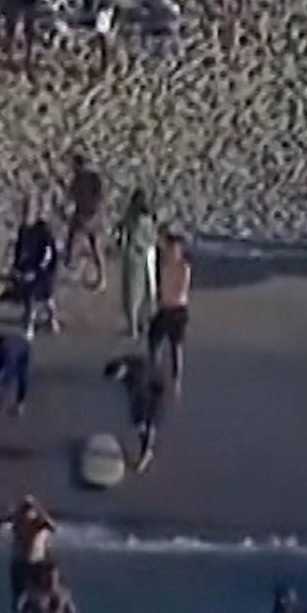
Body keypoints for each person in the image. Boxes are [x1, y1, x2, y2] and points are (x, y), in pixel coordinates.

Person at [104, 350, 166, 473]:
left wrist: (141, 419)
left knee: (148, 425)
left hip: (156, 392)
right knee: (139, 423)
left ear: (121, 371)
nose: (117, 382)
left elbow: (140, 399)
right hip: (148, 382)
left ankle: (145, 456)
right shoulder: (124, 364)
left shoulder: (138, 379)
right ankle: (146, 448)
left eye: (117, 379)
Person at [6, 201, 59, 338]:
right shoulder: (23, 230)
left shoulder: (43, 231)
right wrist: (15, 267)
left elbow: (48, 254)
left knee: (47, 297)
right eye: (24, 212)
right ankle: (30, 324)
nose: (26, 216)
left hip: (44, 269)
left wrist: (38, 270)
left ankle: (52, 319)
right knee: (28, 296)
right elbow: (18, 250)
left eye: (28, 212)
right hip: (27, 267)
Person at [149, 228, 192, 393]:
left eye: (173, 249)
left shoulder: (183, 267)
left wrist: (163, 299)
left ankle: (176, 380)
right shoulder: (163, 265)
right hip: (164, 309)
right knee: (154, 339)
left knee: (176, 346)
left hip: (177, 310)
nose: (170, 252)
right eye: (169, 248)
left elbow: (180, 291)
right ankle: (155, 372)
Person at [118, 188, 159, 341]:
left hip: (132, 258)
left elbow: (124, 238)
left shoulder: (129, 218)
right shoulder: (147, 218)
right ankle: (144, 324)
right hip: (146, 256)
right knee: (147, 292)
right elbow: (151, 239)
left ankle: (134, 327)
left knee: (132, 293)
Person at [64, 154, 106, 285]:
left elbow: (70, 196)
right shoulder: (94, 177)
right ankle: (101, 275)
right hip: (94, 215)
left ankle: (71, 265)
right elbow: (101, 196)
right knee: (96, 246)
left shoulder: (77, 179)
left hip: (83, 214)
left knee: (73, 239)